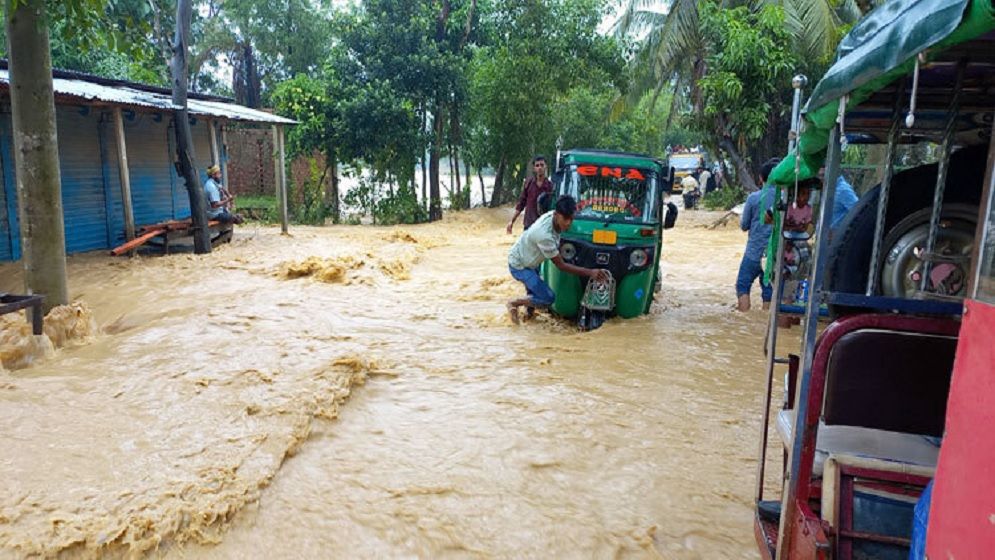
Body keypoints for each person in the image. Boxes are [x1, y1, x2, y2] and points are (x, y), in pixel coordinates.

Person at [507, 195, 608, 324]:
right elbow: (561, 266)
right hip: (520, 265)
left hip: (530, 259)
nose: (568, 223)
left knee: (533, 298)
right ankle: (513, 303)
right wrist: (591, 272)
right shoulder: (544, 236)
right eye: (565, 219)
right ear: (556, 214)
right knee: (547, 298)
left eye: (571, 219)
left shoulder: (553, 217)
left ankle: (527, 322)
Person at [736, 158, 780, 312]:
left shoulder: (754, 198)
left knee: (743, 286)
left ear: (761, 178)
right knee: (768, 292)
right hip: (773, 255)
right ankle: (764, 323)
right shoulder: (785, 199)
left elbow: (744, 225)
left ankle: (743, 319)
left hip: (753, 253)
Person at [506, 155, 553, 234]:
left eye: (542, 165)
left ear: (546, 167)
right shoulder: (529, 184)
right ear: (534, 168)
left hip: (543, 226)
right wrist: (512, 221)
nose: (539, 168)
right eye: (537, 165)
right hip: (529, 224)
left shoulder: (550, 187)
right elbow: (521, 204)